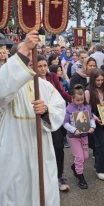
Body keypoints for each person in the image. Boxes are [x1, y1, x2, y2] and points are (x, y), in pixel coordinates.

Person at [0, 31, 66, 206]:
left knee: (43, 192)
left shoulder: (45, 86)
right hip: (15, 151)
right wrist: (23, 49)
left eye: (32, 60)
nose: (30, 65)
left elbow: (59, 107)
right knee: (13, 195)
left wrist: (46, 111)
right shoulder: (7, 85)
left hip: (41, 150)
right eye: (25, 60)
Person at [36, 55, 72, 191]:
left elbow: (61, 92)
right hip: (38, 118)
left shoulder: (52, 77)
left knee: (58, 146)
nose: (43, 68)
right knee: (42, 148)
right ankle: (43, 178)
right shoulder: (31, 81)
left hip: (53, 117)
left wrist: (72, 100)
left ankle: (59, 175)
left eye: (45, 65)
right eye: (39, 66)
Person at [63, 84, 96, 189]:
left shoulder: (86, 107)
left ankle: (75, 166)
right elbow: (65, 123)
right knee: (79, 157)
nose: (80, 102)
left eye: (82, 100)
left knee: (85, 156)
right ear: (72, 98)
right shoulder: (69, 108)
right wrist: (74, 130)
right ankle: (80, 178)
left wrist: (92, 127)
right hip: (74, 137)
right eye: (77, 100)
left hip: (84, 136)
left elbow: (91, 118)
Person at [86, 69, 104, 180]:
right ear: (93, 80)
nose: (100, 82)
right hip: (95, 120)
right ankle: (100, 169)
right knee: (101, 144)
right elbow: (87, 109)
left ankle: (98, 163)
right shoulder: (88, 91)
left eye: (102, 80)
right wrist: (95, 118)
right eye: (97, 80)